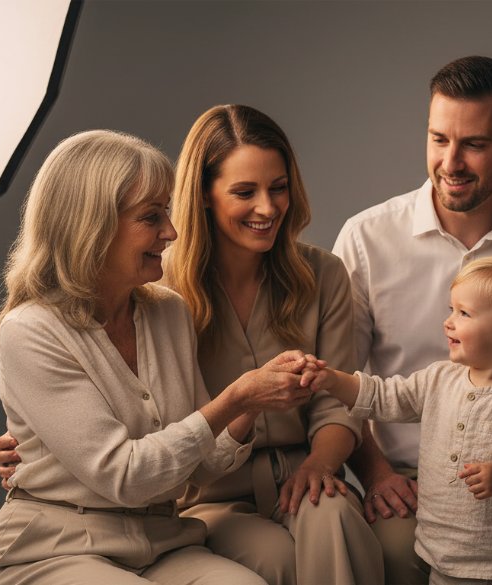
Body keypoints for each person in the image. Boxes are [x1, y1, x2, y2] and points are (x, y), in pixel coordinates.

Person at [0, 107, 383, 585]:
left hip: (159, 536)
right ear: (92, 225)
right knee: (275, 559)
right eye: (152, 217)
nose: (170, 232)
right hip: (63, 542)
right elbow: (125, 471)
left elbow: (209, 453)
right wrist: (239, 396)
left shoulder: (164, 309)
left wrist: (252, 400)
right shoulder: (33, 329)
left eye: (277, 187)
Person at [332, 56, 492, 584]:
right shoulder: (367, 239)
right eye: (439, 139)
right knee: (396, 560)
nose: (450, 162)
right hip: (405, 479)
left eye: (474, 144)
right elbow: (345, 382)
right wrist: (377, 472)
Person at [161, 104, 382, 585]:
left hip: (310, 472)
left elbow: (337, 405)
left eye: (278, 188)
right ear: (203, 194)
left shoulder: (323, 274)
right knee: (277, 561)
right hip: (211, 500)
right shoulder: (160, 290)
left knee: (337, 516)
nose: (267, 207)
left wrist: (322, 465)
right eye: (245, 192)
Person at [304, 256, 492, 585]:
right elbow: (383, 397)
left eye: (464, 313)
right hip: (444, 559)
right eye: (450, 310)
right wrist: (331, 379)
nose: (448, 322)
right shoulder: (438, 380)